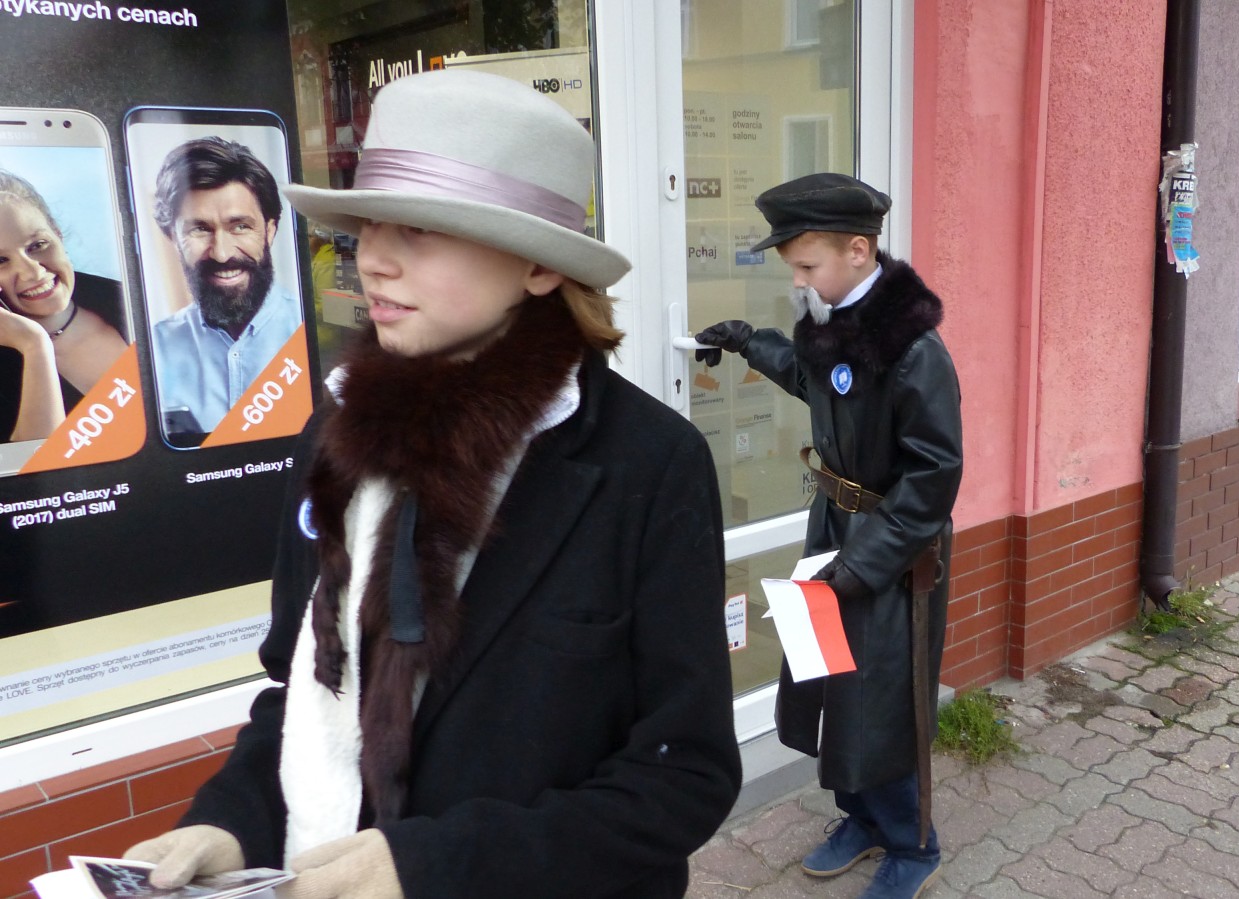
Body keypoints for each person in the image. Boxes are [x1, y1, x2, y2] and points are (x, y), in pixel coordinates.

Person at [125, 69, 741, 898]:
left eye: (419, 230)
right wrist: (229, 821)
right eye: (369, 224)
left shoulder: (646, 463)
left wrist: (435, 864)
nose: (372, 259)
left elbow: (684, 773)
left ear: (538, 265)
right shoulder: (337, 435)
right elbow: (302, 689)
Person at [696, 172, 962, 899]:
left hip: (895, 553)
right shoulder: (836, 318)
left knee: (883, 697)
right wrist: (750, 342)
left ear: (857, 250)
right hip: (836, 528)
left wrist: (864, 565)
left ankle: (913, 843)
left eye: (806, 265)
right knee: (834, 682)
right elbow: (818, 382)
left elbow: (934, 476)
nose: (798, 280)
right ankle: (862, 815)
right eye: (793, 267)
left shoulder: (914, 349)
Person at [148, 136, 302, 434]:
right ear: (173, 239)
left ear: (270, 230)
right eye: (199, 229)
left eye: (240, 226)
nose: (221, 253)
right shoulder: (153, 350)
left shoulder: (312, 335)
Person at [0, 170, 128, 442]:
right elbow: (35, 465)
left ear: (58, 235)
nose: (33, 272)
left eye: (38, 245)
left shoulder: (130, 300)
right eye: (1, 261)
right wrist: (34, 346)